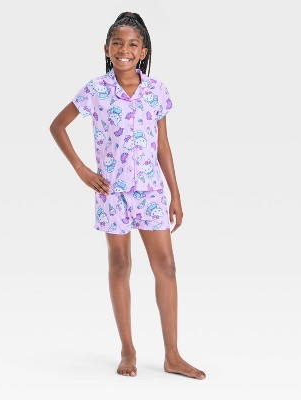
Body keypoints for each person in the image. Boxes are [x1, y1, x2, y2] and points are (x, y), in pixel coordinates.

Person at [49, 11, 206, 380]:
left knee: (166, 266)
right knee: (120, 265)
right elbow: (57, 126)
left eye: (132, 44)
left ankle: (172, 355)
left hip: (150, 191)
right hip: (112, 192)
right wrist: (82, 170)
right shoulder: (96, 90)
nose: (124, 49)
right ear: (107, 48)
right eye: (117, 43)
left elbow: (163, 146)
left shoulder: (157, 92)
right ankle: (127, 349)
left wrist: (175, 194)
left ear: (142, 51)